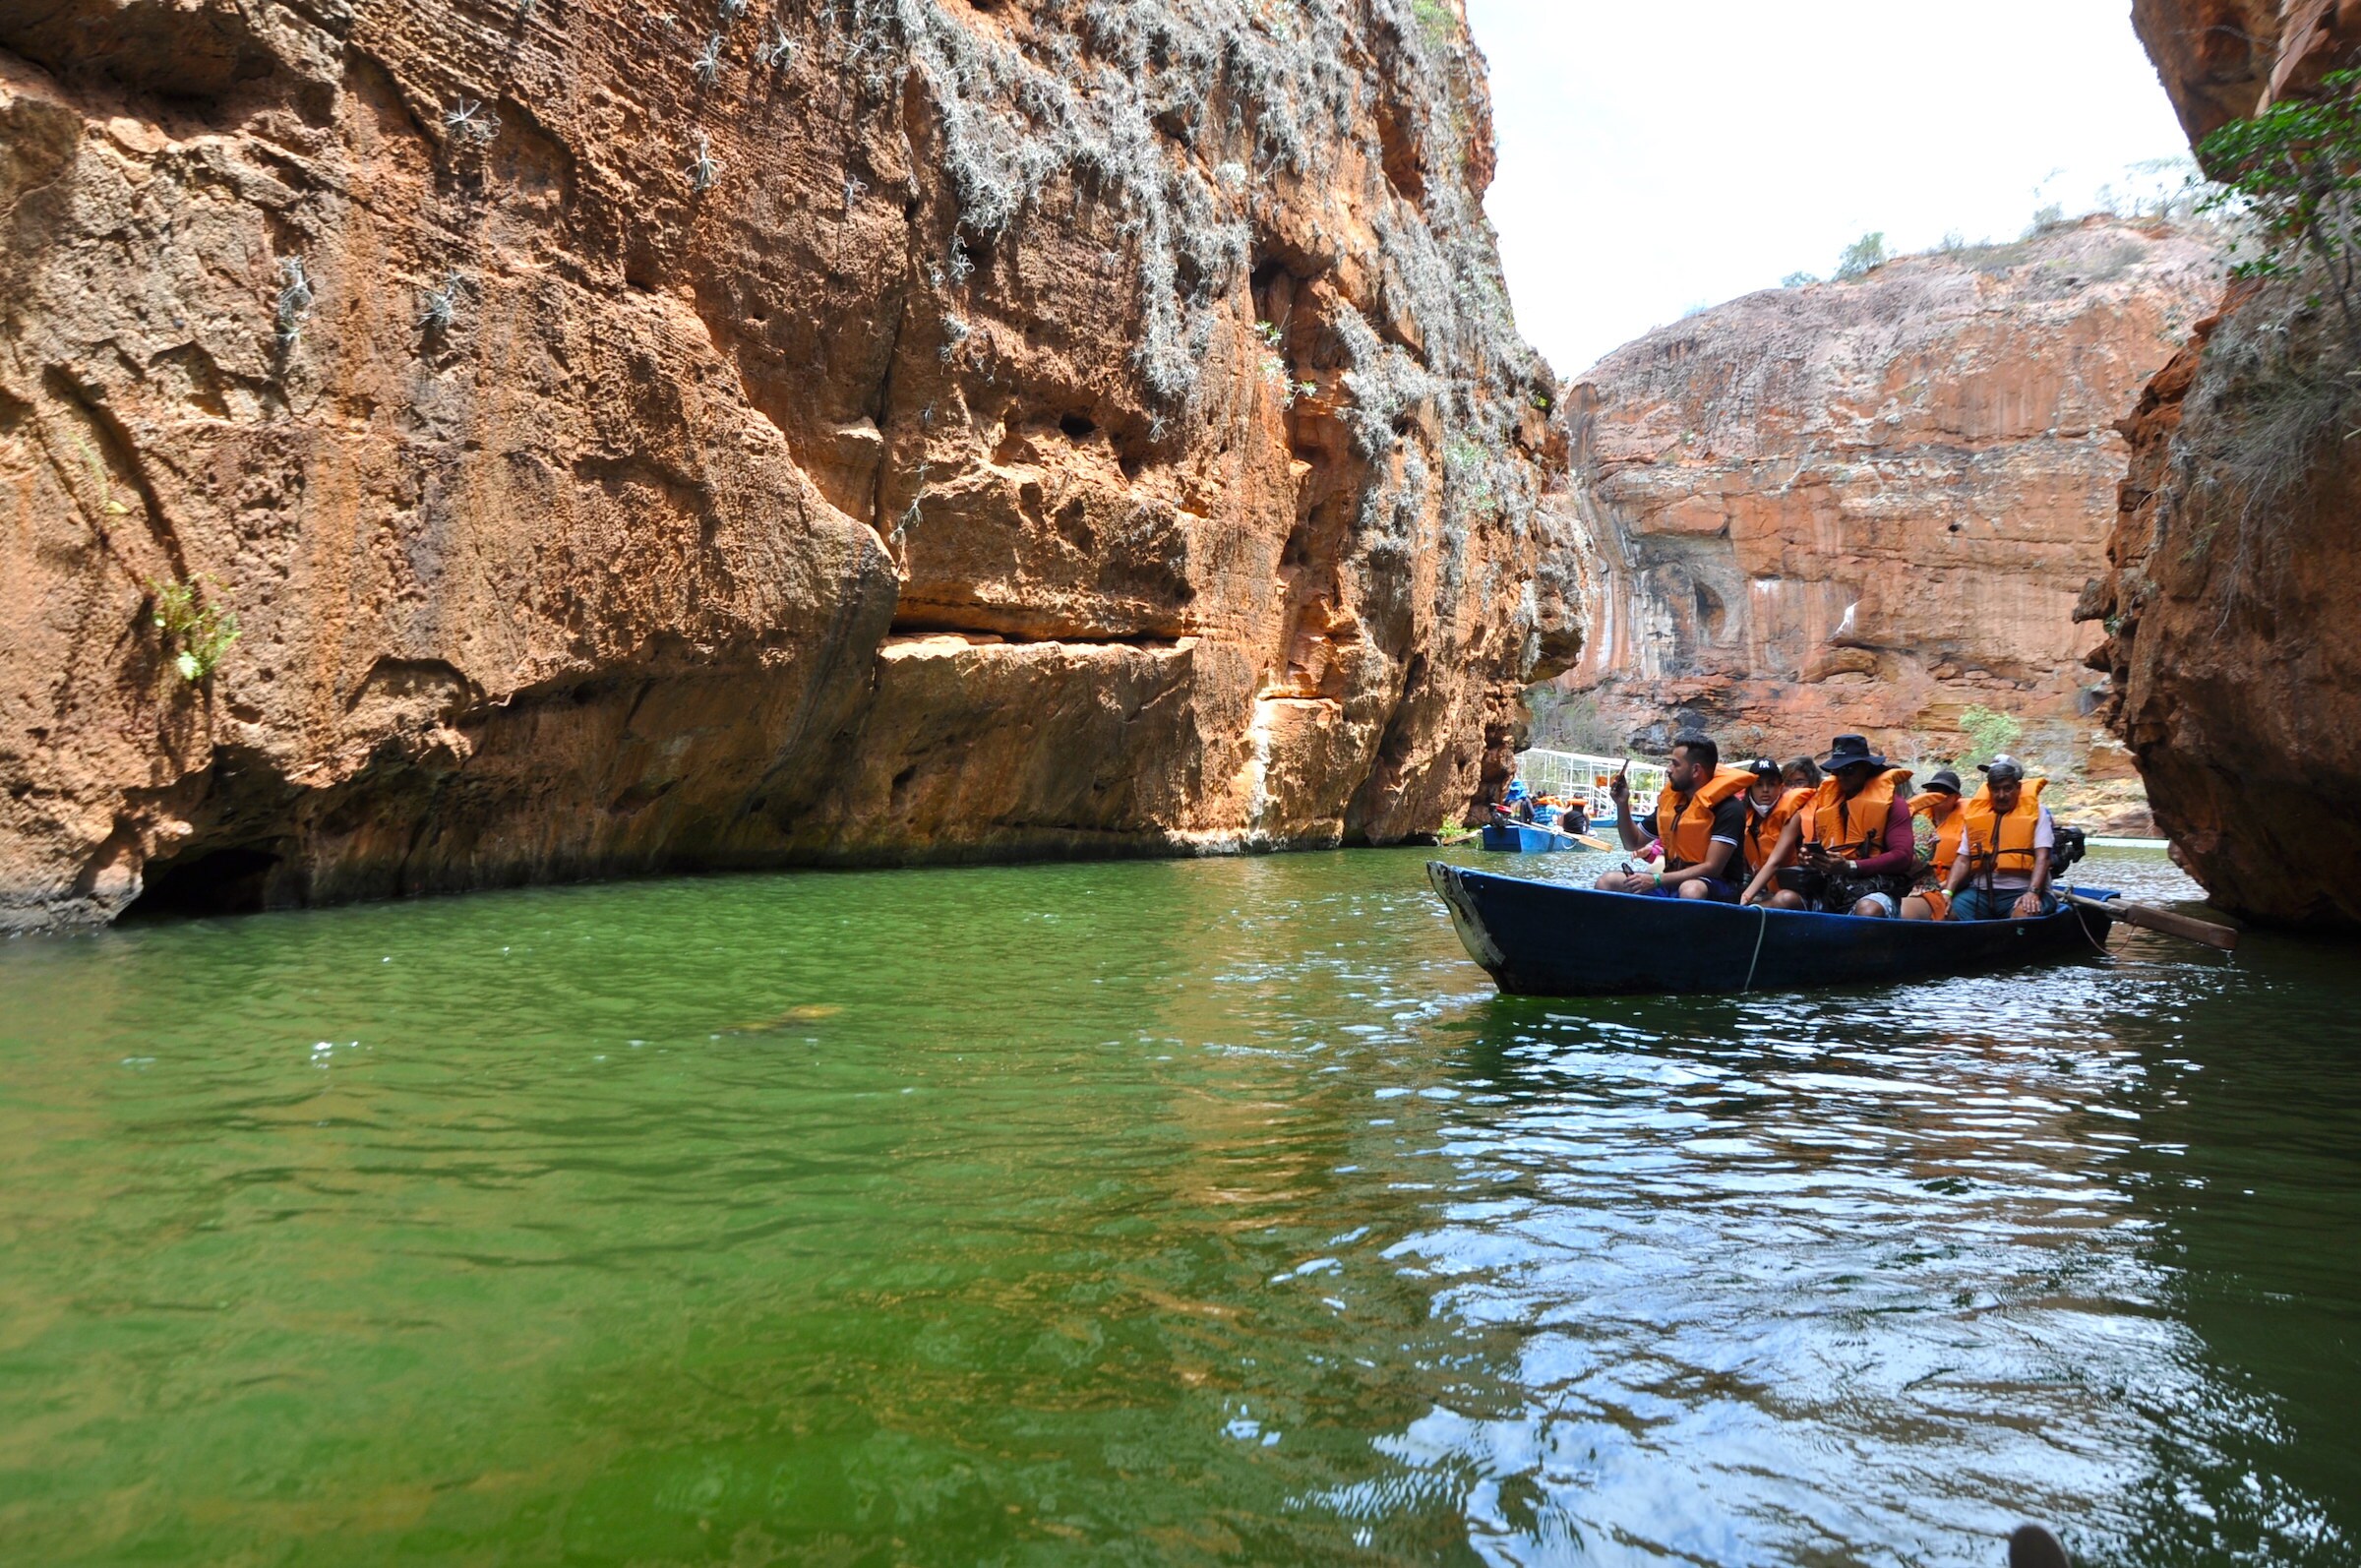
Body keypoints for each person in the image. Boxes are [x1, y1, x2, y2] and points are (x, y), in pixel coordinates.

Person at [1739, 734, 1915, 916]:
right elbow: (1817, 847)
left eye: (1849, 769)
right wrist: (1809, 857)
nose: (1841, 776)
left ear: (1866, 768)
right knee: (1784, 899)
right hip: (1829, 890)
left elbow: (1903, 857)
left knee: (1868, 909)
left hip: (1873, 890)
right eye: (1837, 770)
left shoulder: (1894, 805)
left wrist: (1851, 866)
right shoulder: (1826, 804)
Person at [1595, 732, 1753, 901]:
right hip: (1671, 881)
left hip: (1716, 886)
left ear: (1695, 770)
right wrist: (1622, 804)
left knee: (1691, 889)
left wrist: (1656, 879)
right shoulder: (1674, 802)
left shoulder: (1729, 808)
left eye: (1675, 764)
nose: (1668, 770)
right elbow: (1632, 843)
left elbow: (1712, 868)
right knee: (1607, 882)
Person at [1939, 754, 2057, 920]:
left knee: (2024, 914)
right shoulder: (1977, 816)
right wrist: (1947, 892)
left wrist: (2033, 892)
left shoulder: (2037, 812)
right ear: (1989, 789)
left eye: (2007, 789)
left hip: (2022, 890)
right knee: (1943, 911)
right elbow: (1963, 859)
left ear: (2018, 787)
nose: (2001, 795)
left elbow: (2043, 857)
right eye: (1996, 789)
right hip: (1980, 893)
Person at [1900, 767, 1966, 921]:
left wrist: (1948, 888)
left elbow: (1968, 862)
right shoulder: (1916, 818)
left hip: (1953, 885)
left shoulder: (1967, 823)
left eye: (1945, 791)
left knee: (1950, 913)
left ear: (1956, 797)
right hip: (1915, 882)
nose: (1938, 795)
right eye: (1933, 790)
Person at [1741, 757, 1810, 878]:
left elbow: (1774, 862)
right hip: (1759, 885)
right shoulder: (1742, 816)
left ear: (1781, 787)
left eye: (1771, 784)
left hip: (1791, 887)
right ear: (1749, 789)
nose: (1765, 790)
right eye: (1758, 785)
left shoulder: (1792, 815)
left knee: (1785, 898)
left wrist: (1746, 897)